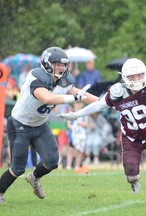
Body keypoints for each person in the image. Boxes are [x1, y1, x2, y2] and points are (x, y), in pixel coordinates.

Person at [58, 58, 146, 202]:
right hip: (131, 139)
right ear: (124, 78)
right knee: (131, 176)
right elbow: (98, 105)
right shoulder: (117, 92)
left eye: (139, 75)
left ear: (145, 73)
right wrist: (77, 114)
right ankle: (134, 180)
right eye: (132, 76)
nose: (137, 79)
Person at [0, 47, 98, 204]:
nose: (60, 67)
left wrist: (106, 102)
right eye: (56, 63)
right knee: (18, 167)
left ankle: (34, 177)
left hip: (39, 125)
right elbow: (46, 98)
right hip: (20, 124)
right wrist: (72, 99)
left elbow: (81, 94)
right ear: (46, 63)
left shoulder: (65, 80)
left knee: (52, 161)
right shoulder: (36, 76)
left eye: (63, 64)